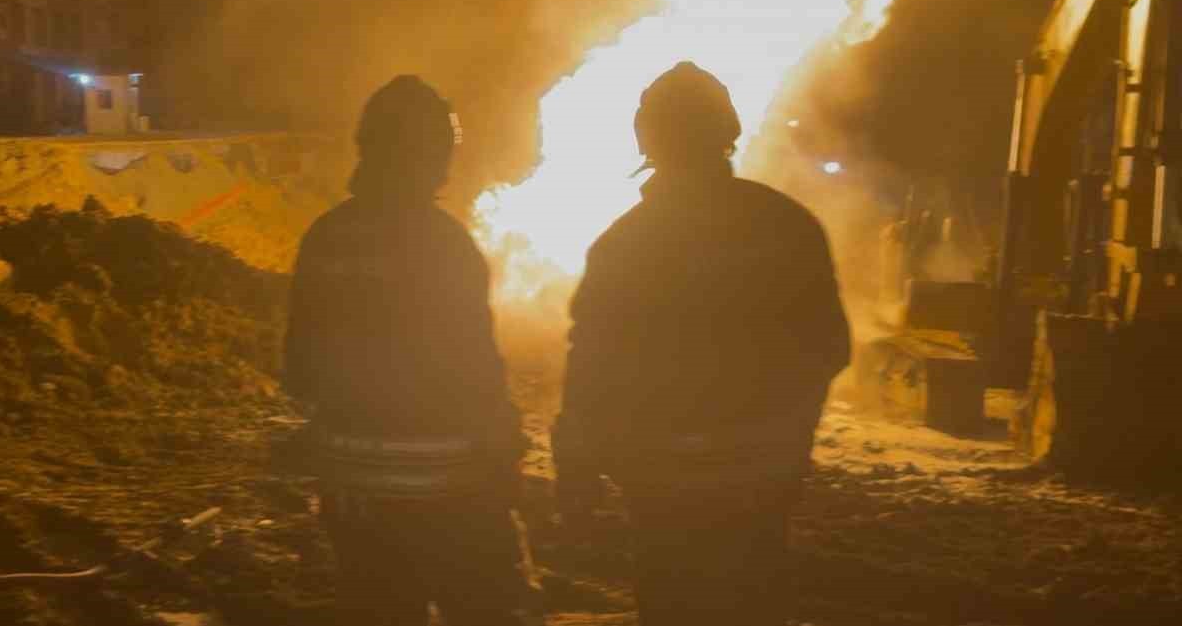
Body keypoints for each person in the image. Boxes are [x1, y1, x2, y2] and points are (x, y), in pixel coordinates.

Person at [553, 62, 850, 626]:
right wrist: (785, 435)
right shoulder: (788, 226)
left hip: (662, 487)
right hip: (760, 483)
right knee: (752, 604)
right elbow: (829, 346)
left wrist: (578, 473)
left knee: (672, 605)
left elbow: (591, 368)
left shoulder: (625, 244)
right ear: (727, 131)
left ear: (647, 138)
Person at [283, 75, 534, 626]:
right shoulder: (443, 243)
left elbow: (299, 372)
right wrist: (504, 452)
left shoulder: (325, 239)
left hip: (356, 498)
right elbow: (475, 371)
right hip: (453, 494)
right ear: (431, 154)